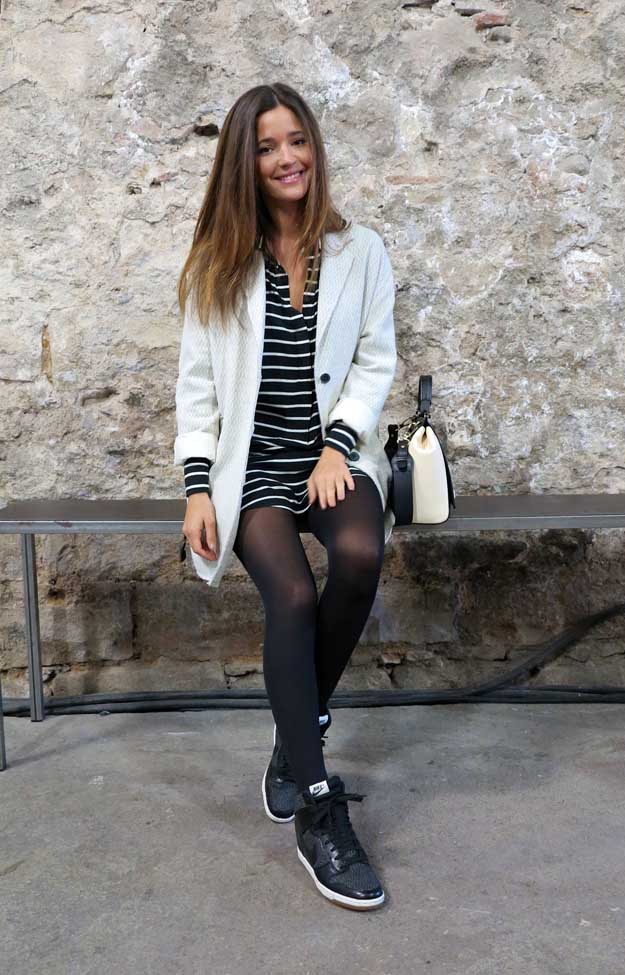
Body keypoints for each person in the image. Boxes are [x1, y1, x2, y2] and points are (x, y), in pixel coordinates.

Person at [174, 82, 397, 911]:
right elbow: (197, 386)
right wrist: (198, 485)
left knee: (361, 553)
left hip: (332, 456)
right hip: (253, 468)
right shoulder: (219, 261)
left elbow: (374, 359)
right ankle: (316, 804)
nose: (286, 158)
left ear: (314, 147)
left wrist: (339, 445)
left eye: (296, 139)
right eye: (267, 147)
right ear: (246, 162)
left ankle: (293, 733)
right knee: (294, 597)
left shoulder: (360, 250)